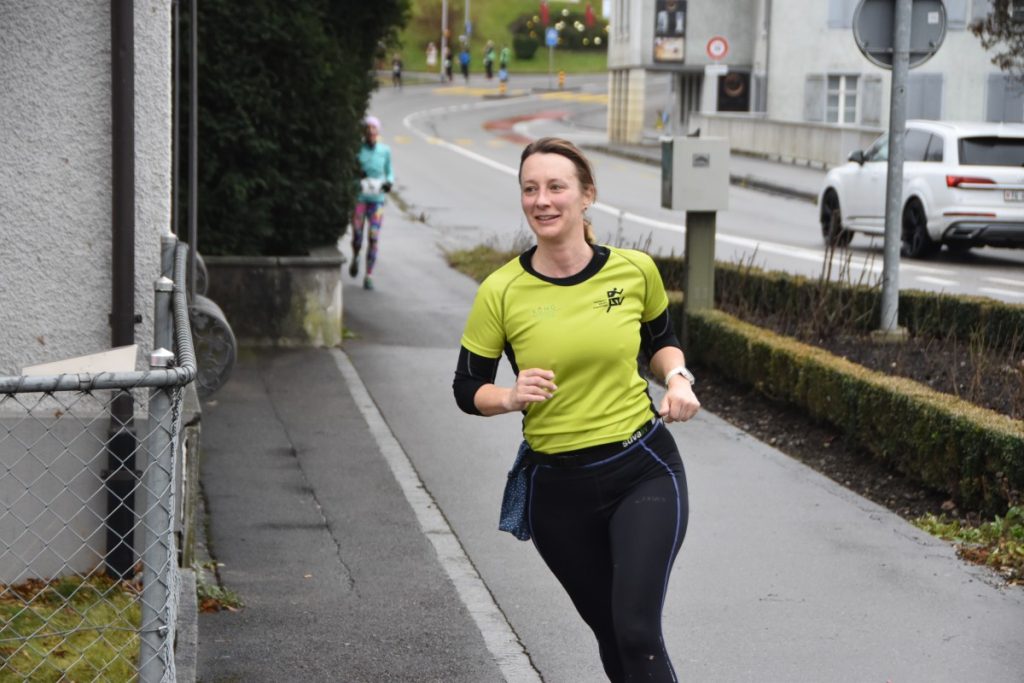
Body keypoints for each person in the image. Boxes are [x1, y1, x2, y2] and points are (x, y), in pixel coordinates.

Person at [452, 137, 699, 682]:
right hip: (557, 490)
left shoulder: (634, 271)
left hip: (641, 469)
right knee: (612, 633)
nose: (541, 200)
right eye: (530, 189)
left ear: (587, 195)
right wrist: (510, 396)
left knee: (637, 631)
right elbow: (467, 387)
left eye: (555, 187)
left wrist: (678, 378)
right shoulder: (501, 290)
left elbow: (662, 341)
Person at [350, 116, 393, 291]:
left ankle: (369, 275)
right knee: (358, 235)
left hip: (377, 201)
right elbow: (351, 170)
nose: (371, 132)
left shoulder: (385, 151)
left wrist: (389, 183)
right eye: (368, 129)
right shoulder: (358, 150)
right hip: (360, 198)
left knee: (374, 237)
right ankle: (356, 255)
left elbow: (389, 171)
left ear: (378, 131)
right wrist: (357, 177)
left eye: (374, 129)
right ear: (364, 132)